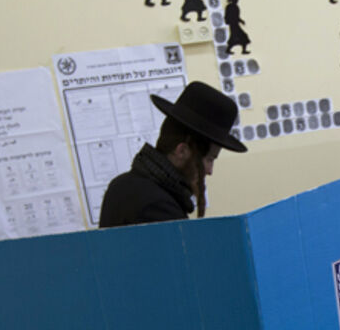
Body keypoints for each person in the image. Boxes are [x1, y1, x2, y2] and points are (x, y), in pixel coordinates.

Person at [99, 82, 247, 228]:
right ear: (182, 151)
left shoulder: (120, 185)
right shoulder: (159, 207)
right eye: (209, 159)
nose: (210, 171)